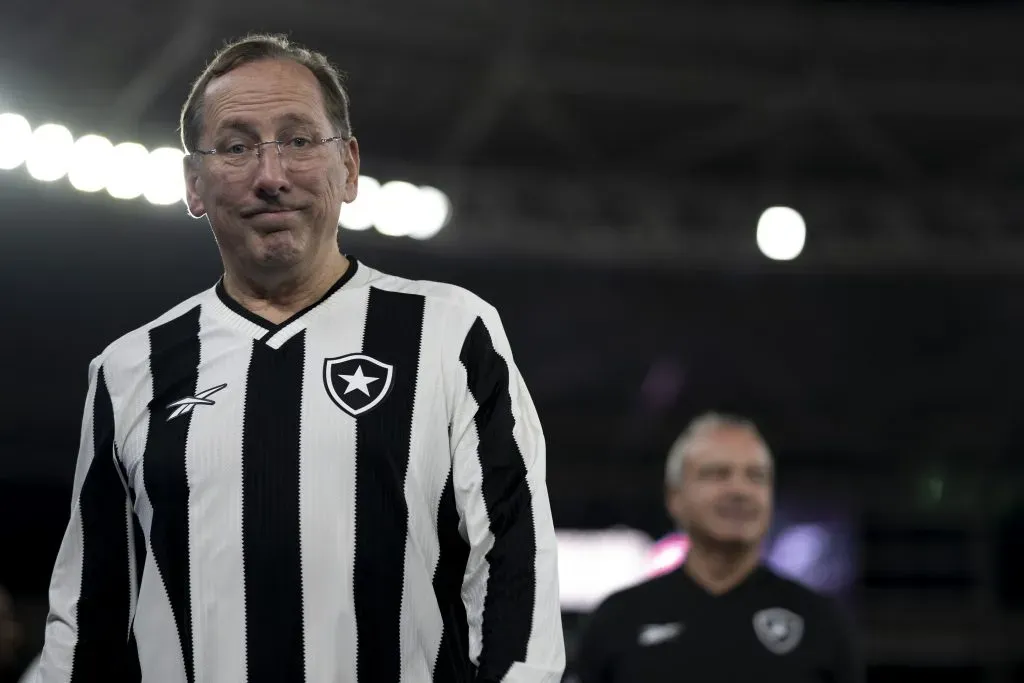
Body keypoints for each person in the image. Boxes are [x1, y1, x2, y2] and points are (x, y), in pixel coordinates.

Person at [35, 33, 564, 683]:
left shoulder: (452, 332)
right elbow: (87, 619)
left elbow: (516, 570)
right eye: (235, 146)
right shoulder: (129, 368)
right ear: (194, 184)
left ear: (349, 167)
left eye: (299, 140)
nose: (271, 175)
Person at [573, 413, 862, 683]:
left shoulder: (822, 624)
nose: (739, 490)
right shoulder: (616, 621)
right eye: (717, 474)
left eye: (756, 476)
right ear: (675, 497)